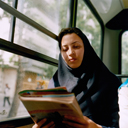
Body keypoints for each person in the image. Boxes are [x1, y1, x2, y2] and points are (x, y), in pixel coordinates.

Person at [32, 27, 121, 128]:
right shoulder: (54, 82)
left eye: (76, 46)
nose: (70, 53)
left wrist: (95, 127)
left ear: (86, 48)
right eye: (65, 49)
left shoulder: (109, 81)